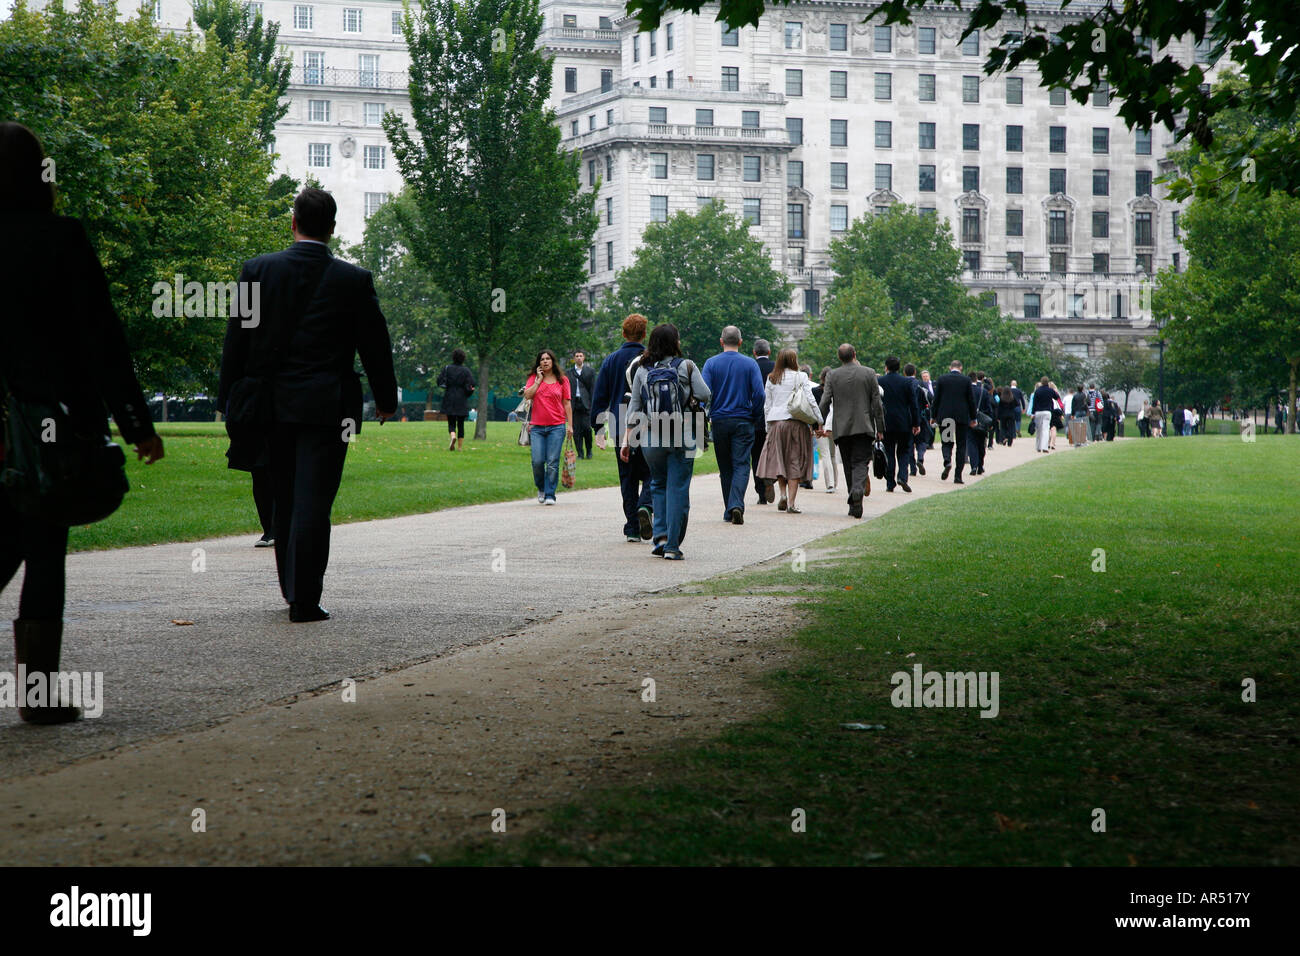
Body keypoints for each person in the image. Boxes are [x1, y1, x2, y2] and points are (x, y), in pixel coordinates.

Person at [0, 122, 164, 723]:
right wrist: (137, 424)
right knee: (43, 548)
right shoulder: (60, 239)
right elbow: (102, 341)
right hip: (51, 424)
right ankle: (39, 694)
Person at [219, 187, 397, 624]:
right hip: (327, 407)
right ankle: (304, 597)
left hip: (269, 405)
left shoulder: (257, 270)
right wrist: (387, 399)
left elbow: (236, 339)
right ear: (333, 229)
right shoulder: (354, 280)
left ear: (293, 222)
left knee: (283, 495)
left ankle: (290, 588)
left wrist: (228, 399)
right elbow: (375, 345)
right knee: (315, 500)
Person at [622, 323, 710, 560]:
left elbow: (635, 406)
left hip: (652, 437)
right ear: (675, 342)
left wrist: (626, 439)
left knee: (657, 485)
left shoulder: (642, 369)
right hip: (681, 435)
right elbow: (705, 394)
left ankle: (659, 539)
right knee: (678, 489)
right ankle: (672, 545)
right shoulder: (687, 366)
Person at [590, 314, 652, 542]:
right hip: (648, 423)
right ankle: (646, 505)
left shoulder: (611, 361)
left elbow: (600, 398)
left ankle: (632, 527)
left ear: (623, 334)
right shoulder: (650, 359)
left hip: (619, 422)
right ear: (644, 334)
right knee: (650, 472)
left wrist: (597, 429)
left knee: (627, 477)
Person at [700, 325, 765, 525]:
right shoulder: (750, 364)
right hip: (744, 420)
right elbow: (760, 394)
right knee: (742, 464)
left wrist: (703, 416)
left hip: (719, 420)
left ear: (721, 342)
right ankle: (736, 504)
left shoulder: (711, 364)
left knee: (725, 467)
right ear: (740, 342)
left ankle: (730, 508)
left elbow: (703, 394)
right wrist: (754, 415)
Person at [817, 344, 885, 518]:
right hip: (864, 426)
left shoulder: (832, 375)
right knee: (861, 462)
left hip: (842, 427)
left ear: (840, 358)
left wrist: (818, 422)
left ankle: (854, 501)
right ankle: (856, 492)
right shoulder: (869, 373)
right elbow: (877, 403)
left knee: (848, 464)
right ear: (855, 354)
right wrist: (880, 428)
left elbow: (825, 401)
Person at [758, 348, 822, 513]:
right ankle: (792, 504)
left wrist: (768, 427)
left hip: (776, 423)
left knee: (780, 459)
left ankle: (782, 494)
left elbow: (767, 405)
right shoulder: (801, 376)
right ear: (794, 360)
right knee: (794, 461)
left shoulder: (772, 378)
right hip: (796, 423)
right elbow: (810, 399)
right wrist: (819, 420)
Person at [523, 349, 572, 505]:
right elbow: (527, 395)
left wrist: (570, 425)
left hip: (556, 426)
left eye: (548, 359)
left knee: (552, 461)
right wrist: (538, 381)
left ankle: (550, 494)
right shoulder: (533, 378)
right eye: (542, 359)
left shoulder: (562, 380)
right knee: (537, 461)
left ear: (553, 361)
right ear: (539, 363)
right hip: (537, 427)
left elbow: (567, 403)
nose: (545, 361)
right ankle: (541, 488)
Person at [931, 359, 978, 484]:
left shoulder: (942, 379)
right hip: (961, 417)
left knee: (947, 442)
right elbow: (971, 401)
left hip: (946, 416)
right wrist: (973, 417)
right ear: (961, 368)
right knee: (961, 446)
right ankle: (958, 476)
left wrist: (933, 415)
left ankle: (947, 461)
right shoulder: (966, 380)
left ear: (950, 367)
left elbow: (936, 399)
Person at [878, 356, 919, 493]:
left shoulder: (880, 381)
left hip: (886, 421)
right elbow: (913, 404)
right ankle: (902, 476)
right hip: (903, 421)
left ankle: (890, 483)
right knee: (904, 451)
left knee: (889, 452)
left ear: (886, 367)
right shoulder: (906, 382)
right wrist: (916, 423)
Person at [749, 338, 776, 505]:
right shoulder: (776, 368)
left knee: (756, 455)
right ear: (769, 352)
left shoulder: (750, 367)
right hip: (773, 417)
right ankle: (770, 478)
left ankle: (760, 492)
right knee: (772, 454)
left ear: (754, 352)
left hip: (754, 417)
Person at [436, 348, 475, 452]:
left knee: (451, 421)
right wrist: (468, 392)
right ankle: (460, 447)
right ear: (463, 358)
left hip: (449, 396)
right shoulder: (466, 370)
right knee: (461, 423)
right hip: (461, 398)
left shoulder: (447, 368)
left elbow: (439, 380)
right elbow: (472, 384)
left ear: (453, 357)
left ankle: (453, 435)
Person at [813, 366, 841, 492]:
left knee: (825, 455)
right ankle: (834, 483)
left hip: (821, 426)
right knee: (833, 455)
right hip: (835, 425)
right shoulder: (838, 391)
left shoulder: (815, 391)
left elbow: (813, 410)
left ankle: (830, 484)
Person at [567, 350, 596, 459]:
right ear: (574, 359)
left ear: (584, 358)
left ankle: (589, 451)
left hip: (586, 404)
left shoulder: (590, 371)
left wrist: (593, 404)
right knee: (576, 430)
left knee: (587, 428)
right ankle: (580, 453)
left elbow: (593, 389)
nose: (579, 358)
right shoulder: (568, 373)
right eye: (577, 356)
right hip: (574, 403)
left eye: (581, 356)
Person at [967, 372, 993, 474]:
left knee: (971, 443)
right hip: (982, 421)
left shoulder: (967, 392)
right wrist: (990, 422)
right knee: (981, 444)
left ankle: (973, 465)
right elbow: (988, 408)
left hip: (970, 421)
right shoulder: (984, 391)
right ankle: (980, 465)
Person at [912, 367, 935, 476]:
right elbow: (930, 398)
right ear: (915, 373)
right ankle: (920, 458)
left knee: (909, 443)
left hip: (908, 417)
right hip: (921, 416)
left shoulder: (904, 384)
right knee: (922, 441)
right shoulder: (921, 385)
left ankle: (912, 468)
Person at [1030, 377, 1059, 453]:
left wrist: (1033, 413)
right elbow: (1057, 397)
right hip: (1047, 411)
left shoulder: (1037, 391)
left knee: (1039, 430)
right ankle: (1045, 447)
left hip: (1038, 412)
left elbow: (1034, 403)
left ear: (1041, 382)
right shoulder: (1050, 390)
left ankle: (1038, 447)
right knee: (1046, 429)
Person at [997, 382, 1018, 446]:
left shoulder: (1001, 398)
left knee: (1003, 427)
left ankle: (1004, 438)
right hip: (1011, 415)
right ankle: (1009, 441)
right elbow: (1017, 404)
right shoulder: (1012, 398)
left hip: (1003, 415)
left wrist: (998, 416)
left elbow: (999, 408)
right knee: (1011, 428)